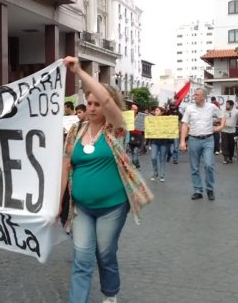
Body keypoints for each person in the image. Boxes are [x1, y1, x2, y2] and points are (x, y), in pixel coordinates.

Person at [60, 56, 153, 303]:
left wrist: (79, 71)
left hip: (112, 207)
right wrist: (59, 202)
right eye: (88, 103)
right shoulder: (74, 132)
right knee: (81, 257)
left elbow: (108, 99)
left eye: (97, 103)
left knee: (105, 253)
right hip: (81, 209)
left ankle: (110, 294)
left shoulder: (116, 129)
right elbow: (66, 164)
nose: (92, 107)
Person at [179, 88, 225, 201]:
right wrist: (182, 141)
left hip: (208, 140)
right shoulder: (189, 109)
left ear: (203, 96)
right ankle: (197, 190)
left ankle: (210, 189)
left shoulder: (211, 107)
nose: (194, 96)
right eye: (194, 95)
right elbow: (184, 125)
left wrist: (221, 126)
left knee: (209, 165)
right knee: (194, 167)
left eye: (197, 95)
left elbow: (222, 116)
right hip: (193, 140)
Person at [149, 107, 172, 182]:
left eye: (157, 110)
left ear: (161, 112)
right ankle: (155, 173)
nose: (155, 111)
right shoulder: (151, 120)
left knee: (162, 159)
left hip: (164, 142)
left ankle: (162, 175)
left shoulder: (166, 120)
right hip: (154, 141)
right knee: (153, 157)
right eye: (155, 110)